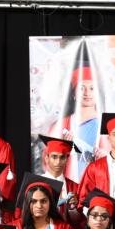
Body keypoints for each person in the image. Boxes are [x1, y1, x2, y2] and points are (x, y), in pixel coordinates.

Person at [48, 51, 103, 179]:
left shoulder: (106, 126)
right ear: (73, 94)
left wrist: (106, 156)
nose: (87, 93)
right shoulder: (60, 125)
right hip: (68, 184)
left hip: (97, 184)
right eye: (81, 88)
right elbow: (48, 160)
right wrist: (65, 147)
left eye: (92, 88)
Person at [36, 134, 84, 228]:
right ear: (46, 158)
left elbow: (80, 224)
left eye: (62, 157)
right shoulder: (35, 184)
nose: (58, 162)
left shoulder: (76, 188)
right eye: (54, 157)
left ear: (67, 160)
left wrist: (73, 209)